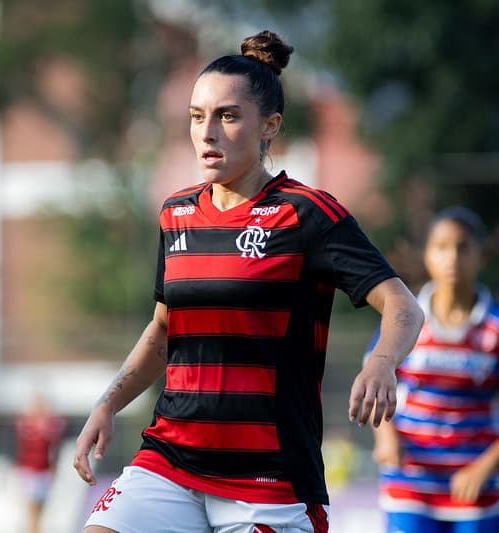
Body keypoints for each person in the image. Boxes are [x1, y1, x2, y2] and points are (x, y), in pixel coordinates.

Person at [72, 30, 424, 533]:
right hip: (170, 460)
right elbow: (162, 330)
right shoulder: (177, 214)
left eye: (228, 116)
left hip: (269, 479)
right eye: (197, 117)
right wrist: (107, 404)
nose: (207, 132)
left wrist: (382, 363)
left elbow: (403, 306)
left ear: (269, 126)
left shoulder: (307, 213)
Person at [370, 207, 499, 533]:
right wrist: (385, 437)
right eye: (441, 247)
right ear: (426, 255)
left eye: (463, 247)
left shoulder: (494, 329)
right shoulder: (405, 322)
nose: (452, 257)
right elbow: (374, 383)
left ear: (480, 256)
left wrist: (485, 468)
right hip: (409, 484)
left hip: (473, 489)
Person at [14, 393, 67, 533]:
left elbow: (55, 447)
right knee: (31, 509)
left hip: (44, 471)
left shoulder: (52, 425)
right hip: (29, 470)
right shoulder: (26, 424)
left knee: (42, 508)